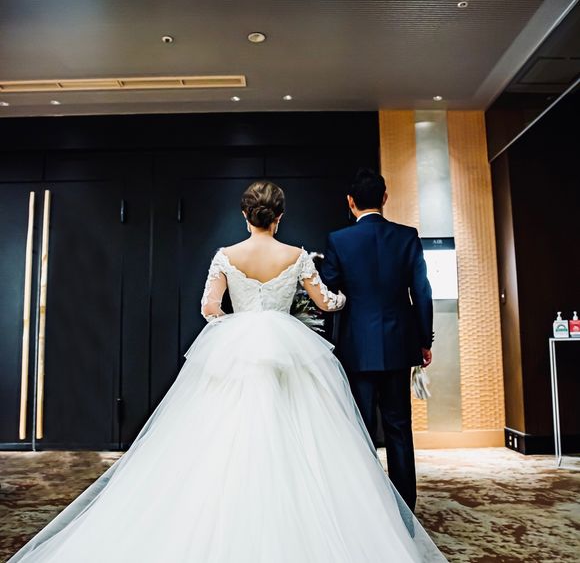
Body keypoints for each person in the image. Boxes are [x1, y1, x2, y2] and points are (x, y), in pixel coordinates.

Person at [8, 181, 445, 562]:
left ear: (245, 215)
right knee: (304, 436)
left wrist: (236, 328)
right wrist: (344, 301)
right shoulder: (296, 256)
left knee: (224, 437)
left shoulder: (225, 255)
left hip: (240, 349)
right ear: (280, 216)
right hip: (288, 349)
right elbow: (326, 302)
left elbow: (209, 307)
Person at [321, 168, 434, 513]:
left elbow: (327, 293)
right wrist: (424, 340)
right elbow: (422, 291)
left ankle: (367, 509)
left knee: (361, 429)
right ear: (384, 198)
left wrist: (324, 339)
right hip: (399, 346)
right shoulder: (407, 236)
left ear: (350, 202)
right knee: (399, 428)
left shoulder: (339, 240)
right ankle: (405, 508)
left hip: (357, 349)